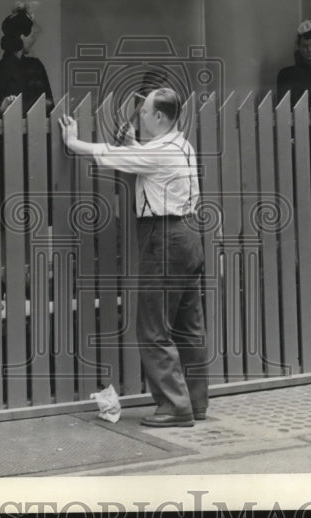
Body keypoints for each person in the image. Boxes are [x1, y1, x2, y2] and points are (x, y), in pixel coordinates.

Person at [58, 87, 208, 428]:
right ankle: (195, 402)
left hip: (163, 239)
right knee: (189, 327)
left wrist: (73, 142)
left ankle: (174, 408)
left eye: (144, 112)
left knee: (154, 328)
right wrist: (134, 147)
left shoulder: (158, 153)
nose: (139, 116)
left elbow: (110, 155)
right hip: (187, 236)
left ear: (159, 116)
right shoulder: (181, 145)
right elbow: (147, 159)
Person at [0, 2, 54, 114]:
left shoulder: (35, 66)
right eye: (32, 36)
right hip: (6, 130)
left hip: (35, 128)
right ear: (22, 36)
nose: (34, 40)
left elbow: (49, 103)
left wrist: (14, 107)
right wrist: (1, 106)